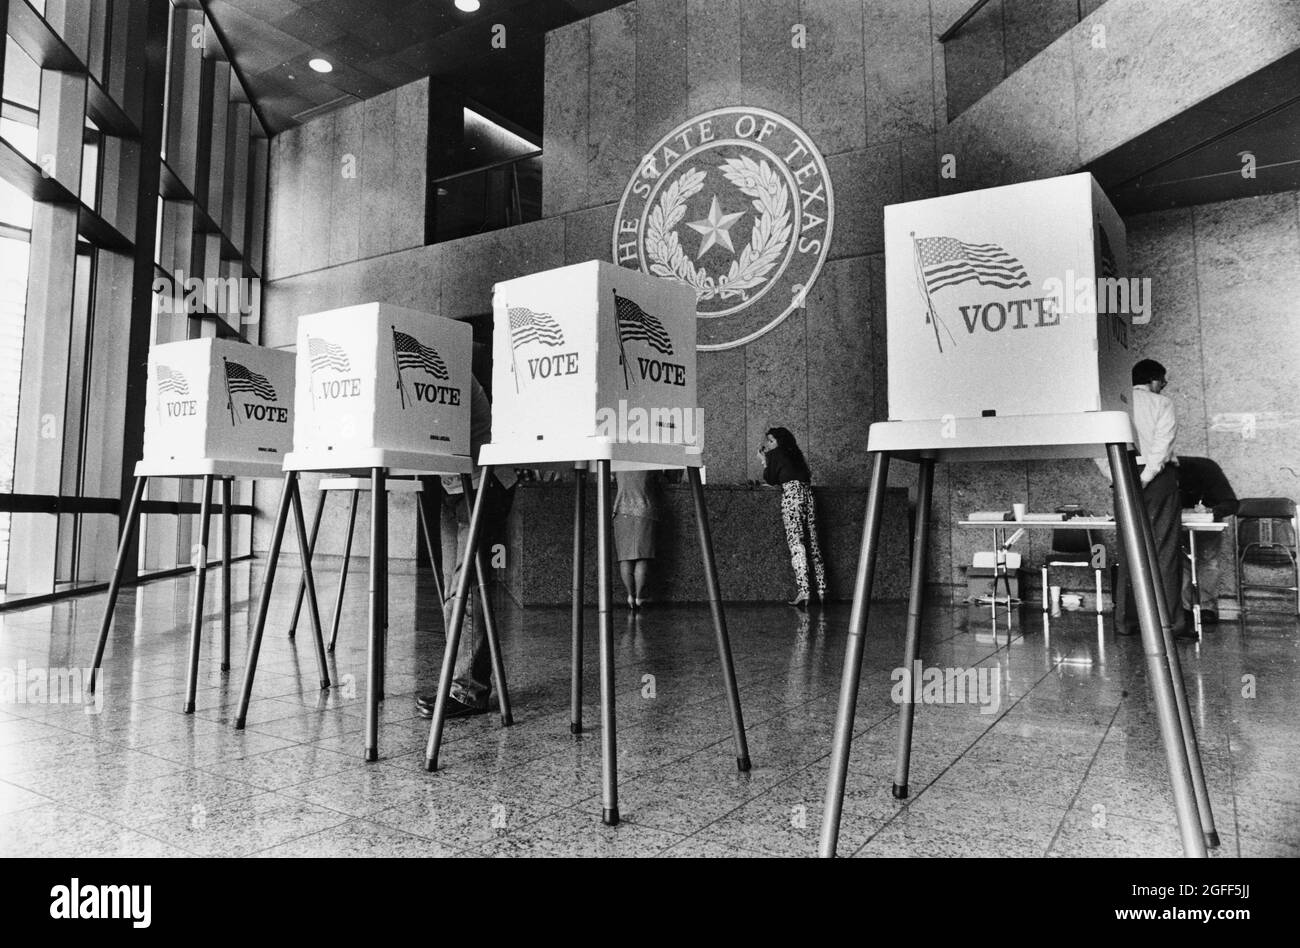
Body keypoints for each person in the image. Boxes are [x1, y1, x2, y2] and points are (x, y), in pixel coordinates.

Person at [416, 373, 517, 720]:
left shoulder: (448, 370)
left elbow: (433, 427)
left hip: (483, 483)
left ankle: (469, 690)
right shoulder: (434, 368)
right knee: (454, 590)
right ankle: (460, 681)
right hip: (455, 485)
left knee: (466, 589)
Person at [1107, 358, 1189, 638]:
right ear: (1154, 380)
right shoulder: (1161, 403)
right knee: (1164, 549)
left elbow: (1098, 447)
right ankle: (1168, 623)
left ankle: (1126, 621)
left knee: (1129, 549)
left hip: (1122, 473)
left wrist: (1116, 477)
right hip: (1157, 480)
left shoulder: (1114, 405)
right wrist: (1147, 476)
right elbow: (1162, 445)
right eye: (1163, 380)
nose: (1164, 385)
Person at [759, 427, 826, 609]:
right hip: (808, 495)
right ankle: (822, 589)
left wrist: (765, 461)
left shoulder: (775, 454)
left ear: (779, 442)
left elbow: (771, 478)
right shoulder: (796, 455)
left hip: (792, 497)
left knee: (797, 543)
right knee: (813, 543)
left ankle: (804, 591)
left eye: (771, 441)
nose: (768, 445)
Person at [1176, 455, 1239, 623]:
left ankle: (1206, 607)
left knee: (1208, 562)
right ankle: (1186, 608)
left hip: (1207, 521)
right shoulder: (1170, 472)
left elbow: (1231, 504)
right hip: (1180, 521)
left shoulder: (1207, 470)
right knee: (1184, 563)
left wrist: (1211, 511)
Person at [613, 469, 660, 609]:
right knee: (642, 557)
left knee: (625, 558)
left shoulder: (618, 465)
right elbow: (660, 480)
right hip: (644, 511)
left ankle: (630, 595)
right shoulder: (648, 465)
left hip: (621, 512)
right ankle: (639, 597)